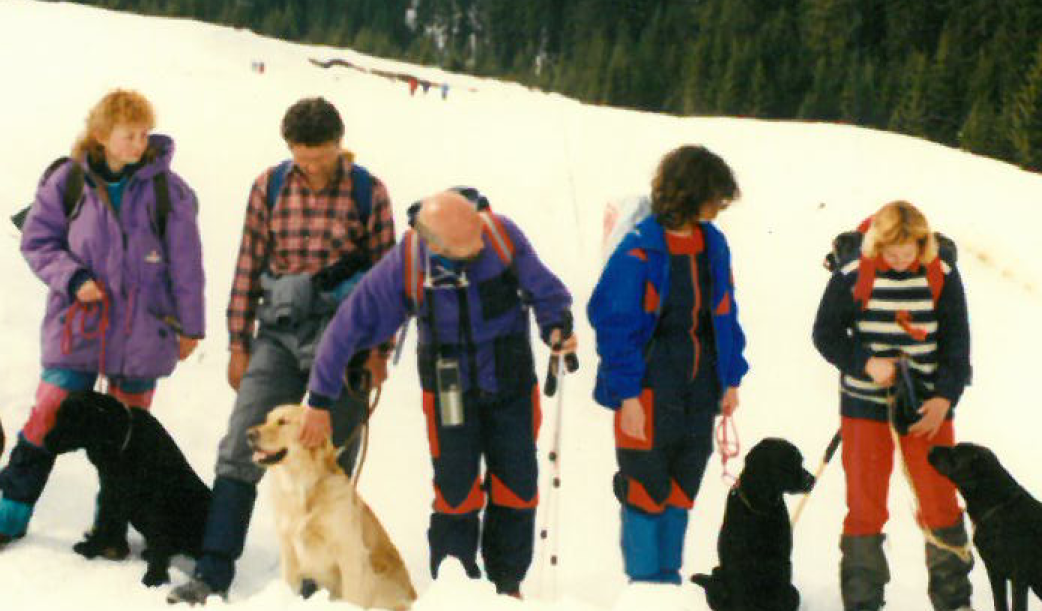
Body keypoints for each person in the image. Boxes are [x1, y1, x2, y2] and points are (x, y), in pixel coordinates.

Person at [169, 97, 395, 605]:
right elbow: (248, 263)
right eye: (302, 158)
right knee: (242, 442)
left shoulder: (369, 193)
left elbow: (387, 279)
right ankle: (213, 570)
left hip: (344, 341)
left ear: (340, 145)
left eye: (321, 157)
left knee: (327, 453)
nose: (311, 168)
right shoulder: (269, 187)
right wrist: (237, 342)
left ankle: (316, 580)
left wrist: (381, 350)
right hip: (276, 332)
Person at [295, 188, 575, 598]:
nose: (479, 247)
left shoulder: (500, 234)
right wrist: (319, 400)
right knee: (456, 491)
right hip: (449, 390)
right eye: (467, 249)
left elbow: (546, 290)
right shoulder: (408, 262)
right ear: (434, 243)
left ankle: (508, 585)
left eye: (479, 236)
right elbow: (346, 327)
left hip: (511, 380)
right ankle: (455, 587)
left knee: (517, 485)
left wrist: (557, 327)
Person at [0, 89, 204, 552]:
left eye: (143, 135)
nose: (138, 144)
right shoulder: (67, 182)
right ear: (100, 135)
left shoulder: (168, 190)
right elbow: (38, 243)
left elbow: (187, 263)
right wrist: (72, 277)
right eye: (127, 135)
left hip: (144, 331)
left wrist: (191, 325)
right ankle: (10, 514)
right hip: (78, 325)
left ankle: (110, 529)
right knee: (48, 415)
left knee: (127, 437)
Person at [587, 144, 747, 585]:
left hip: (699, 388)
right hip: (649, 388)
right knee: (645, 485)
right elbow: (613, 324)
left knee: (683, 483)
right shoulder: (640, 248)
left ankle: (668, 578)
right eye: (715, 196)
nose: (720, 205)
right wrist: (628, 395)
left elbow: (725, 313)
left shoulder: (712, 243)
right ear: (692, 192)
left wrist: (731, 378)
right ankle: (645, 586)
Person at [811, 200, 973, 611]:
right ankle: (862, 601)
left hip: (927, 409)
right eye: (890, 254)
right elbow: (826, 334)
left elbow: (957, 346)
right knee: (865, 502)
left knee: (938, 498)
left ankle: (953, 599)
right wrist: (865, 362)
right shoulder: (853, 275)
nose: (900, 263)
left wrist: (943, 399)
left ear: (924, 245)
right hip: (865, 406)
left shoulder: (942, 277)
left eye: (908, 254)